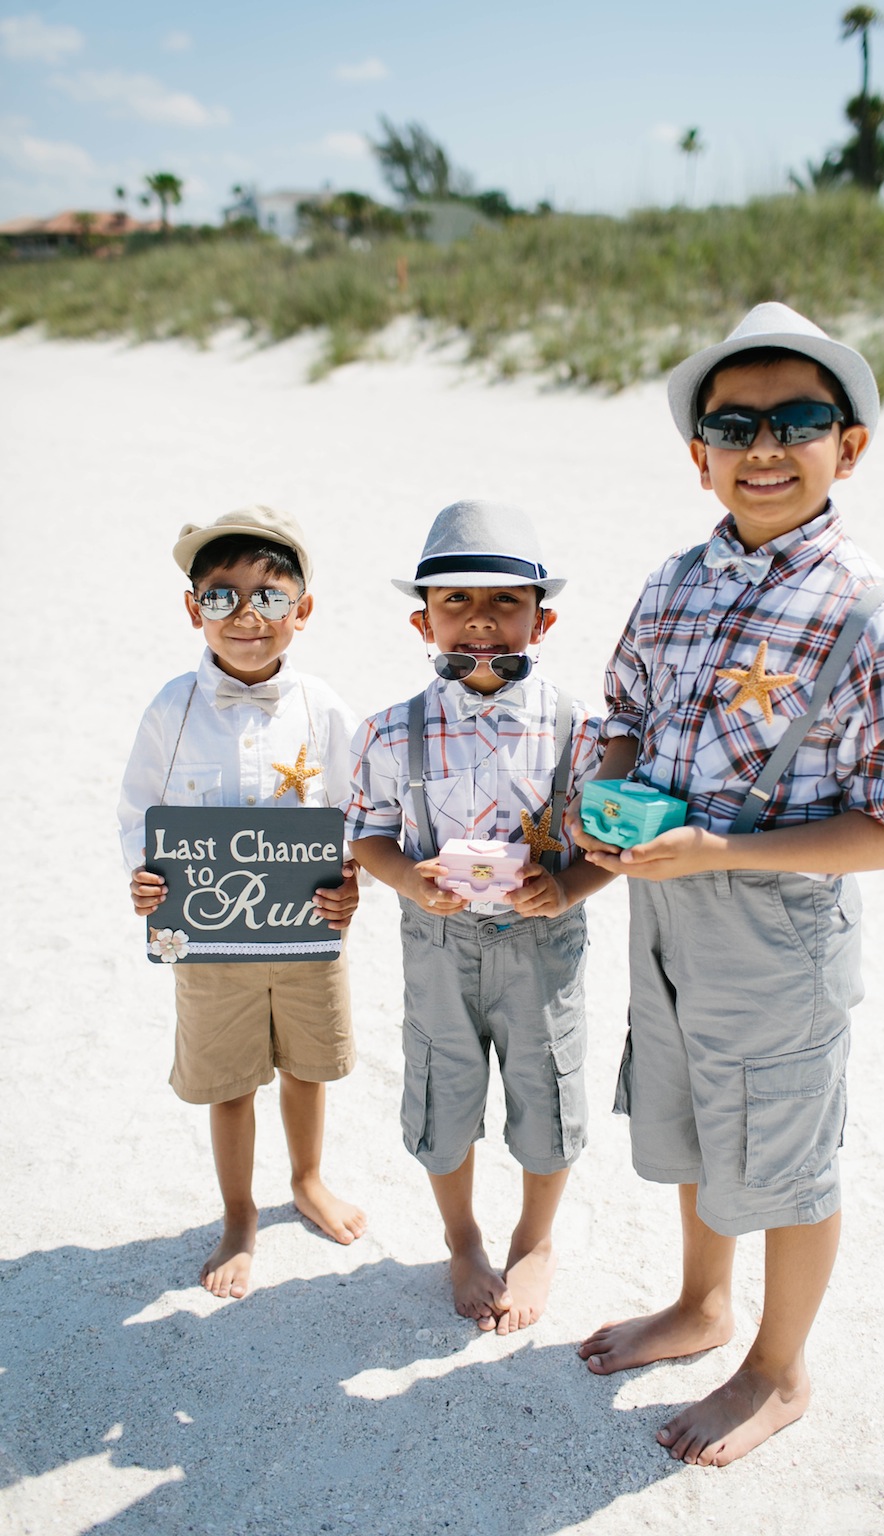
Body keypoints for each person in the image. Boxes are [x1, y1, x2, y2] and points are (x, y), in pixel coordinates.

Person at [574, 304, 884, 1465]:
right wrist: (605, 801)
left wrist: (728, 850)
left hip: (776, 925)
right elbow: (626, 716)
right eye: (732, 424)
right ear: (698, 454)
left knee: (786, 1151)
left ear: (848, 446)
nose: (763, 445)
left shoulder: (868, 611)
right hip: (664, 906)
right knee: (693, 1113)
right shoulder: (676, 580)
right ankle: (701, 1305)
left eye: (798, 420)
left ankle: (778, 1368)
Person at [345, 500, 611, 1334]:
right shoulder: (392, 731)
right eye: (456, 603)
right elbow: (368, 835)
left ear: (544, 617)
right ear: (422, 620)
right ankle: (462, 1238)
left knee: (548, 1084)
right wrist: (410, 882)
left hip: (544, 940)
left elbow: (608, 848)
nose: (482, 622)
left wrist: (564, 888)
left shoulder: (582, 733)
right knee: (440, 1083)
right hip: (437, 940)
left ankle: (534, 1240)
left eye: (505, 603)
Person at [118, 506, 364, 1301]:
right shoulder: (171, 707)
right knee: (229, 1080)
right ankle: (237, 1213)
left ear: (304, 610)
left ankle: (308, 1177)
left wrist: (351, 882)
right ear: (194, 610)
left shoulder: (323, 708)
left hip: (304, 935)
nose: (248, 615)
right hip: (208, 939)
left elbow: (358, 812)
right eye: (222, 597)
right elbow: (136, 809)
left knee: (307, 1066)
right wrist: (144, 875)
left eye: (270, 595)